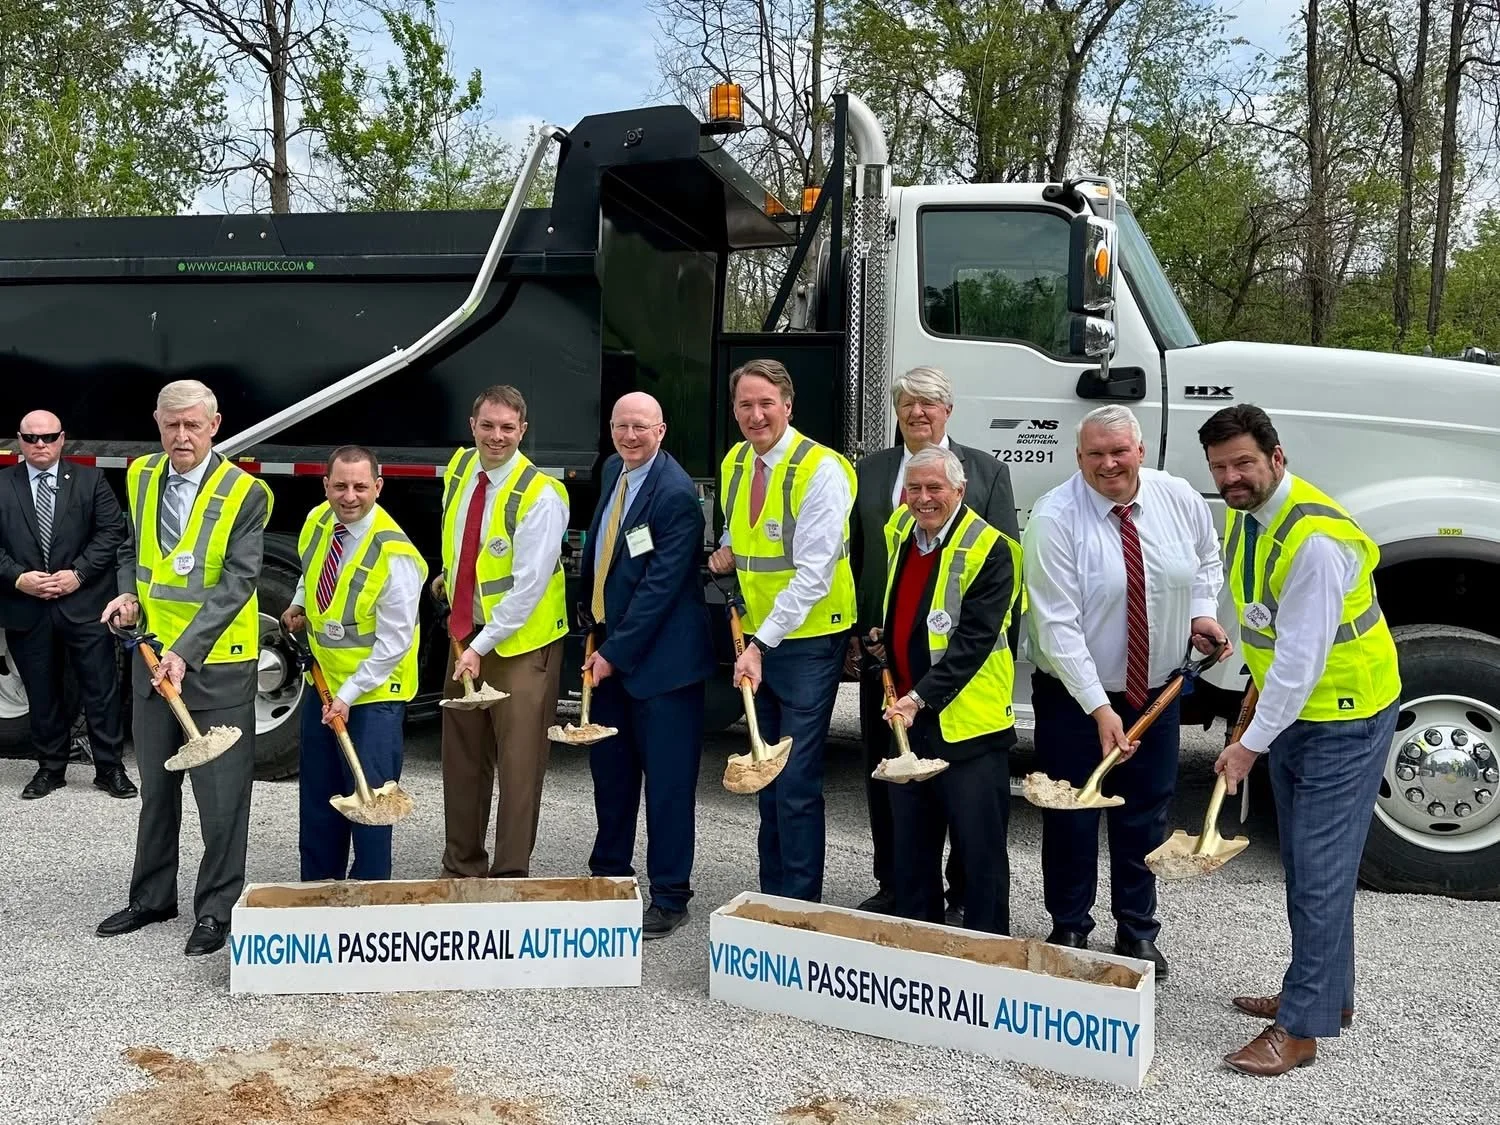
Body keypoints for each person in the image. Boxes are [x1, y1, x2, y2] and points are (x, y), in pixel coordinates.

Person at [1200, 404, 1401, 1076]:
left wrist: (1247, 745)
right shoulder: (1249, 515)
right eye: (1220, 467)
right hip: (1300, 710)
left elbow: (1302, 661)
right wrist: (1255, 698)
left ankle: (1302, 1028)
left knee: (1318, 870)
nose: (1232, 477)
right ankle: (1324, 996)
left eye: (1243, 463)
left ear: (1276, 457)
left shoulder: (1313, 540)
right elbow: (1269, 630)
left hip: (1343, 714)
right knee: (1316, 865)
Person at [1022, 404, 1228, 975]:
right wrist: (1098, 708)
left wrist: (1202, 613)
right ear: (1078, 457)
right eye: (1095, 454)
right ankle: (1070, 925)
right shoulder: (1054, 517)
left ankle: (1137, 930)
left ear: (1140, 450)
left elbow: (1206, 560)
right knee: (1073, 812)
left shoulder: (1178, 497)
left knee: (1145, 814)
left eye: (1119, 451)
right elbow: (1056, 626)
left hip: (1157, 692)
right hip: (1074, 697)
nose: (1108, 463)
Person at [97, 380, 270, 957]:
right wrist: (128, 595)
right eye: (171, 425)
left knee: (222, 801)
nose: (181, 436)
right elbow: (131, 550)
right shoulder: (141, 475)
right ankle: (152, 898)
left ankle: (216, 910)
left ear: (214, 425)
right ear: (157, 422)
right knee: (157, 789)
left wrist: (185, 652)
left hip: (216, 667)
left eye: (193, 425)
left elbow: (238, 581)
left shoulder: (246, 493)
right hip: (152, 659)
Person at [848, 365, 1019, 922]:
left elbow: (976, 638)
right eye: (915, 490)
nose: (923, 498)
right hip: (906, 715)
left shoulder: (991, 548)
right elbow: (893, 597)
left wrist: (919, 696)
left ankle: (985, 952)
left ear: (960, 490)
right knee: (912, 851)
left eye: (934, 489)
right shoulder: (902, 532)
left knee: (979, 855)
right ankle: (918, 946)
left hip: (966, 722)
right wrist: (879, 638)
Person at [708, 357, 856, 904]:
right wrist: (727, 547)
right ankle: (771, 898)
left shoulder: (822, 469)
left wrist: (759, 646)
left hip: (807, 641)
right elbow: (740, 527)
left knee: (793, 779)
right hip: (760, 637)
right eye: (745, 404)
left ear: (788, 406)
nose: (756, 415)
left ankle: (798, 907)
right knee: (765, 774)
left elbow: (814, 574)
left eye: (766, 403)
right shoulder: (735, 462)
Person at [579, 392, 714, 939]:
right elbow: (603, 551)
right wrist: (591, 620)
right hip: (611, 652)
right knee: (610, 780)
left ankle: (670, 896)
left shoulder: (676, 494)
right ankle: (610, 877)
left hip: (663, 669)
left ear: (661, 430)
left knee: (667, 788)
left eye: (640, 427)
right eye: (621, 426)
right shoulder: (614, 470)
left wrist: (614, 653)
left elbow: (661, 588)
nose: (630, 436)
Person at [437, 384, 568, 879]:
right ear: (472, 426)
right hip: (466, 635)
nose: (497, 436)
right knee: (463, 760)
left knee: (518, 767)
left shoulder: (541, 495)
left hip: (520, 647)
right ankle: (461, 868)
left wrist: (479, 646)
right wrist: (450, 578)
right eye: (488, 425)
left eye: (508, 428)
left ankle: (510, 878)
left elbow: (528, 587)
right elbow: (459, 538)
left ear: (523, 430)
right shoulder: (460, 469)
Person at [282, 446, 426, 882]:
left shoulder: (394, 554)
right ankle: (318, 892)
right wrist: (299, 602)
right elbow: (312, 570)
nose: (349, 496)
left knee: (370, 806)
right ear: (325, 485)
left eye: (361, 487)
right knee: (319, 799)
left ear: (378, 487)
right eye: (340, 486)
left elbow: (394, 643)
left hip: (374, 694)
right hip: (325, 683)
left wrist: (347, 696)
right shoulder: (318, 520)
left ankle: (369, 898)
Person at [0, 410, 134, 800]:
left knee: (101, 690)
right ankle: (50, 769)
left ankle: (110, 769)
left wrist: (78, 573)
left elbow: (112, 531)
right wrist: (18, 577)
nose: (40, 444)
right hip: (27, 607)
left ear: (62, 439)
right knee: (42, 693)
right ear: (19, 441)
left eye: (48, 437)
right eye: (31, 438)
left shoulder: (91, 480)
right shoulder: (2, 484)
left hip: (85, 604)